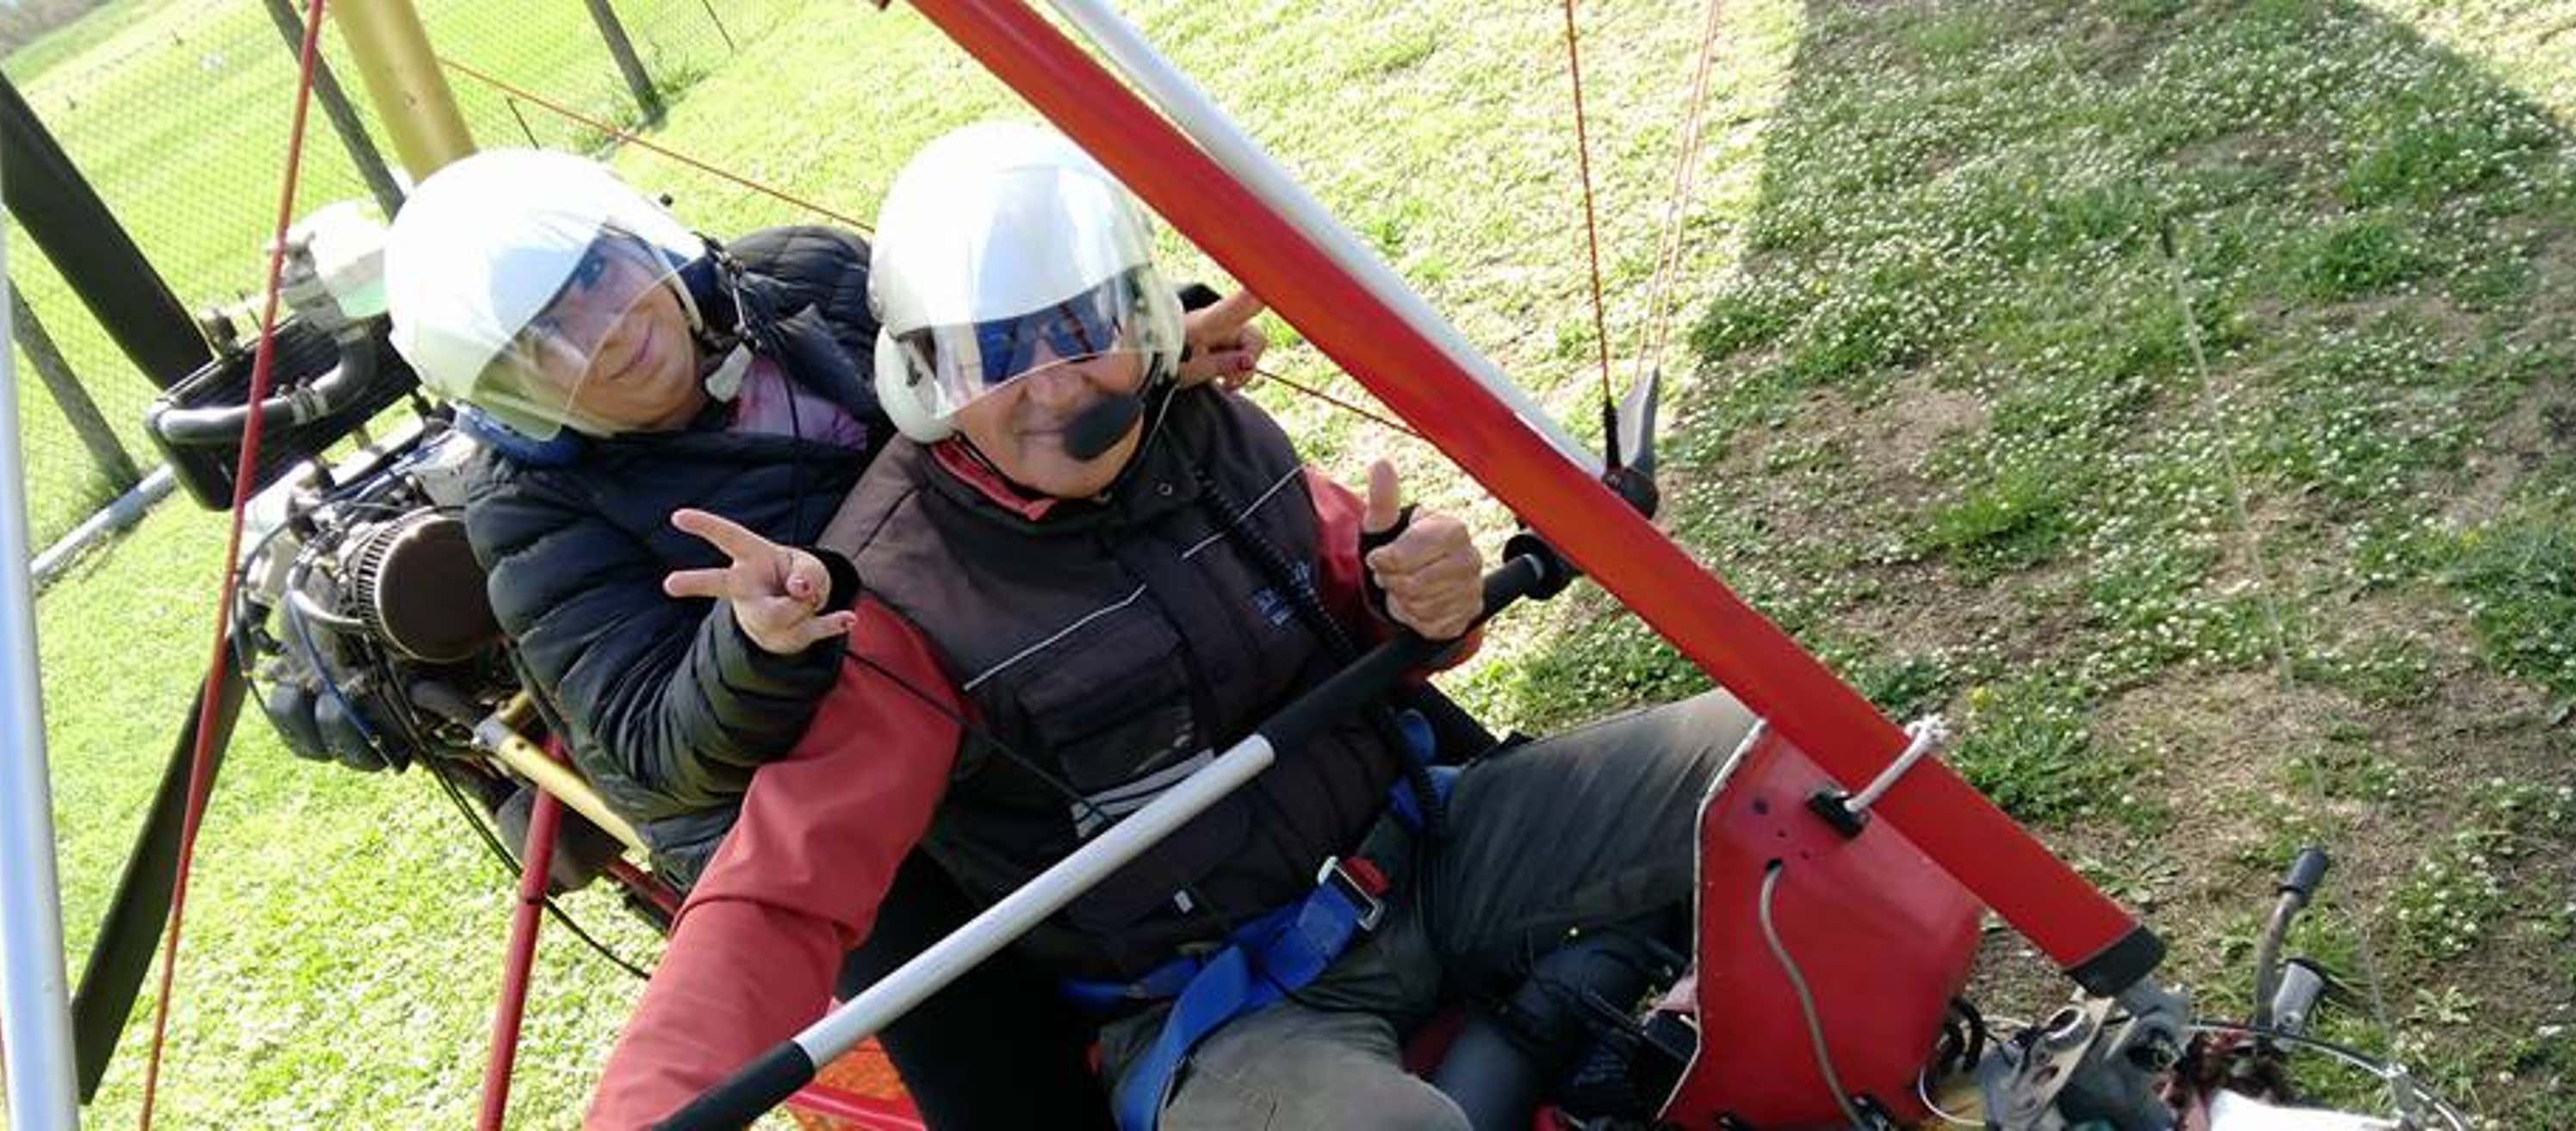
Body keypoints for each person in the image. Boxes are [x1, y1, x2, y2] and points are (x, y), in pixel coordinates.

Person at [585, 121, 1758, 1131]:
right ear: (926, 373)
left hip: (1429, 848)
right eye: (996, 353)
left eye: (1079, 325)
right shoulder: (898, 591)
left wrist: (1419, 598)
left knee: (1771, 762)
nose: (1052, 386)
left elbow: (1361, 602)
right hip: (1227, 1008)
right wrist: (654, 1101)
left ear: (1141, 315)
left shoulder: (1214, 433)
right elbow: (782, 888)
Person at [382, 147, 1266, 1128]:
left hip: (995, 611)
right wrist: (753, 645)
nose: (601, 338)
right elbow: (649, 745)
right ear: (505, 396)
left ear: (643, 242)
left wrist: (1135, 350)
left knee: (1262, 655)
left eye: (597, 277)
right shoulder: (530, 514)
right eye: (536, 343)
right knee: (959, 1009)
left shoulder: (807, 275)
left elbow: (986, 347)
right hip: (801, 762)